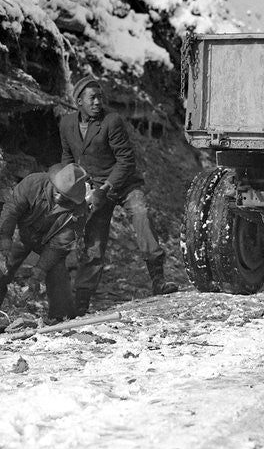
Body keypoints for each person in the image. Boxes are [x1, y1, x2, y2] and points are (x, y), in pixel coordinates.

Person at [59, 75, 178, 315]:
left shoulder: (111, 121)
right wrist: (76, 189)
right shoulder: (66, 124)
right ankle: (81, 300)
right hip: (94, 187)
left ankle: (158, 279)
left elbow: (126, 160)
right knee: (93, 241)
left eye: (100, 97)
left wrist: (106, 189)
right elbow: (68, 158)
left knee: (140, 213)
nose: (97, 102)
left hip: (123, 184)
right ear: (79, 101)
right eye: (92, 98)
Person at [0, 163, 90, 324]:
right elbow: (11, 211)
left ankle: (62, 320)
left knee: (58, 274)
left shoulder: (78, 211)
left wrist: (37, 275)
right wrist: (4, 241)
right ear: (53, 182)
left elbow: (59, 245)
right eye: (58, 192)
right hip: (20, 233)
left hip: (49, 242)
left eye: (65, 197)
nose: (59, 198)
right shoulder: (32, 183)